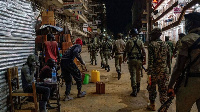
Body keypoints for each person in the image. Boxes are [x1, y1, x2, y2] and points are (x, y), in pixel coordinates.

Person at [168, 12, 200, 112]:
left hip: (190, 82)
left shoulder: (186, 40)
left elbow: (179, 67)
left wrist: (170, 85)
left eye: (187, 23)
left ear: (191, 24)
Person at [146, 28, 170, 111]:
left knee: (152, 89)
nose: (151, 36)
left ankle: (152, 105)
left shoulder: (152, 44)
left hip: (154, 72)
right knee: (163, 90)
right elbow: (168, 60)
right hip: (164, 71)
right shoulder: (166, 44)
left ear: (156, 35)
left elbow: (150, 60)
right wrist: (168, 70)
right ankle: (164, 108)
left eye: (152, 35)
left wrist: (149, 72)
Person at [123, 28, 146, 97]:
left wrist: (124, 58)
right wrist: (144, 60)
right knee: (138, 74)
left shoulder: (129, 42)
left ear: (131, 34)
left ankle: (134, 90)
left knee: (133, 75)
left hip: (131, 60)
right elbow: (144, 52)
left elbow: (125, 51)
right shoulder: (140, 41)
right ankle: (138, 87)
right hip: (139, 60)